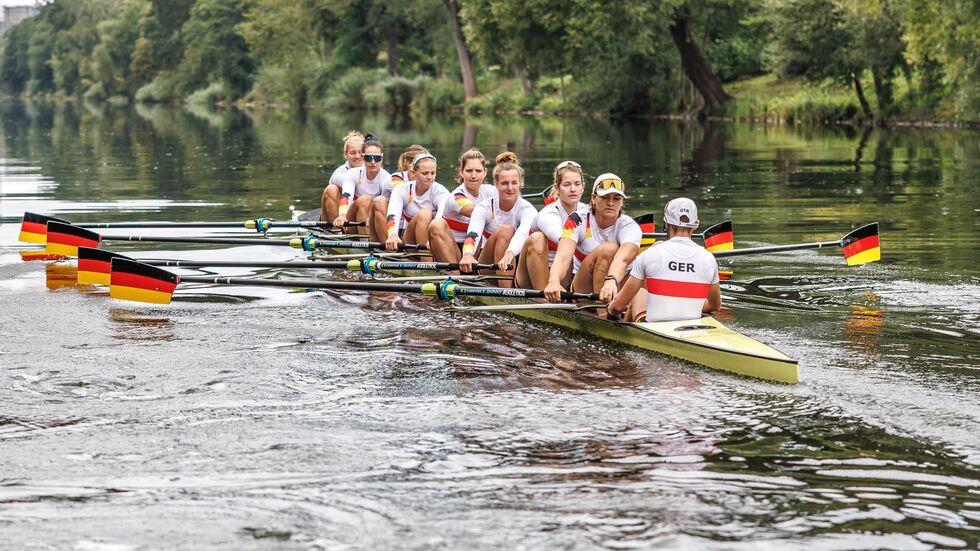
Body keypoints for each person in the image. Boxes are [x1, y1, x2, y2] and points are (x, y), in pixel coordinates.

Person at [607, 197, 722, 322]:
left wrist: (610, 309)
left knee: (640, 293)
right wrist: (690, 304)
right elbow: (715, 305)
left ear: (666, 223)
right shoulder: (709, 259)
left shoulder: (650, 254)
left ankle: (626, 329)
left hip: (654, 330)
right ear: (696, 224)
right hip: (692, 330)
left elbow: (618, 307)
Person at [544, 173, 641, 304]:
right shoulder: (576, 220)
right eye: (605, 197)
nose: (611, 203)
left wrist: (611, 280)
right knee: (608, 249)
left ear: (622, 201)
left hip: (617, 283)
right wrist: (554, 280)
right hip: (583, 287)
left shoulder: (629, 226)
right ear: (594, 198)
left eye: (617, 198)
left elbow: (623, 259)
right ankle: (604, 315)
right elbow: (563, 256)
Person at [458, 152, 538, 287]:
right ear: (496, 184)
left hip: (516, 264)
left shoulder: (528, 210)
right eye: (505, 183)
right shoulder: (484, 207)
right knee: (506, 231)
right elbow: (473, 233)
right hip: (489, 266)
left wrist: (510, 252)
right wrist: (467, 253)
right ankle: (506, 293)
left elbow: (523, 233)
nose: (510, 188)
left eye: (514, 183)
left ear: (520, 184)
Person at [515, 160, 587, 290]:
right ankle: (544, 299)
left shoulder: (587, 211)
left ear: (583, 186)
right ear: (557, 188)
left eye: (577, 184)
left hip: (565, 272)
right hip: (531, 274)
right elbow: (564, 239)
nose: (573, 189)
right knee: (538, 238)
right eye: (567, 184)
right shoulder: (547, 214)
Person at [428, 148, 497, 263]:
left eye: (478, 171)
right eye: (469, 171)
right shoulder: (456, 196)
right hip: (452, 248)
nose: (473, 175)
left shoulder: (491, 191)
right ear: (461, 172)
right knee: (437, 224)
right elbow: (476, 212)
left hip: (477, 247)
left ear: (484, 172)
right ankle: (454, 276)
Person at [384, 152, 450, 253]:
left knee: (428, 216)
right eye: (425, 173)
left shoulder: (441, 192)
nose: (429, 177)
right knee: (424, 214)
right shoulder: (402, 190)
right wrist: (392, 234)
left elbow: (441, 217)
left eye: (433, 173)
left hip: (433, 239)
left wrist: (433, 240)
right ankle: (425, 263)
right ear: (414, 173)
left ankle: (428, 262)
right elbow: (393, 214)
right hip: (410, 240)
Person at [332, 134, 391, 234]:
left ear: (382, 157)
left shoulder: (387, 178)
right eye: (368, 158)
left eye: (376, 158)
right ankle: (365, 242)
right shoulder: (352, 173)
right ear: (363, 157)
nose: (373, 162)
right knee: (365, 199)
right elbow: (347, 195)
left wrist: (372, 216)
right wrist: (342, 214)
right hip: (352, 220)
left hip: (373, 221)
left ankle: (370, 243)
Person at [370, 144, 427, 243]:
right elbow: (407, 195)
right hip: (389, 227)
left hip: (408, 229)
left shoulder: (427, 180)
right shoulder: (395, 179)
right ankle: (388, 248)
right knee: (379, 201)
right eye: (421, 162)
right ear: (408, 164)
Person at [320, 131, 364, 222]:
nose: (357, 156)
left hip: (356, 214)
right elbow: (350, 181)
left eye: (361, 152)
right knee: (331, 189)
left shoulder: (373, 170)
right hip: (338, 216)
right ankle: (337, 230)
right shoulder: (339, 173)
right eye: (352, 153)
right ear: (345, 154)